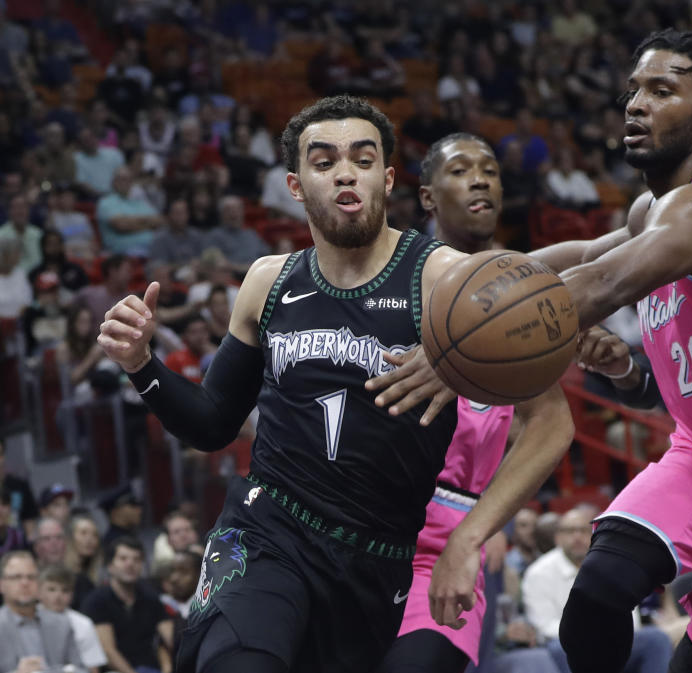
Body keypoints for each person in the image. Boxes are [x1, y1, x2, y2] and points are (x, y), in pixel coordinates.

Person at [380, 30, 692, 673]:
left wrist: (451, 352)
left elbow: (602, 283)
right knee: (597, 593)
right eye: (634, 91)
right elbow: (580, 257)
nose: (636, 105)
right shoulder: (654, 213)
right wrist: (426, 285)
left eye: (662, 90)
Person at [96, 95, 569, 673]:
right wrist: (143, 365)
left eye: (362, 159)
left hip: (375, 559)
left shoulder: (445, 278)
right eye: (324, 162)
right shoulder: (268, 282)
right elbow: (212, 422)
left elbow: (551, 422)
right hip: (268, 530)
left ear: (387, 177)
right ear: (296, 186)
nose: (345, 172)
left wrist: (469, 539)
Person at [376, 133, 573, 673]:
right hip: (365, 525)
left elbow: (553, 423)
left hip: (449, 542)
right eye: (461, 170)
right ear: (427, 196)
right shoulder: (387, 274)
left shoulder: (513, 299)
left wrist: (474, 537)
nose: (481, 178)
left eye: (490, 170)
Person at [523, 507, 673, 673]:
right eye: (569, 531)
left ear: (594, 534)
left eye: (583, 530)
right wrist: (588, 633)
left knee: (656, 639)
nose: (577, 536)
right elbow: (544, 625)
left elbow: (629, 613)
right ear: (558, 538)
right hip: (564, 641)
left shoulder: (612, 562)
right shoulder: (539, 572)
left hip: (610, 637)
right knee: (565, 648)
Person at [82, 537, 174, 673]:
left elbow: (170, 640)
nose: (130, 564)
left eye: (136, 559)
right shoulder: (97, 601)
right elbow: (109, 652)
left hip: (151, 668)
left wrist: (167, 669)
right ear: (110, 565)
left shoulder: (151, 598)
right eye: (123, 559)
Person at [0, 550, 87, 673]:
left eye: (31, 577)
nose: (25, 583)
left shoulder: (61, 623)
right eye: (16, 577)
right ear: (2, 584)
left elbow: (81, 669)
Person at [37, 563, 108, 673]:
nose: (58, 595)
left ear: (72, 594)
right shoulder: (28, 617)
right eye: (51, 589)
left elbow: (93, 667)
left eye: (65, 590)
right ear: (39, 592)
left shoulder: (84, 623)